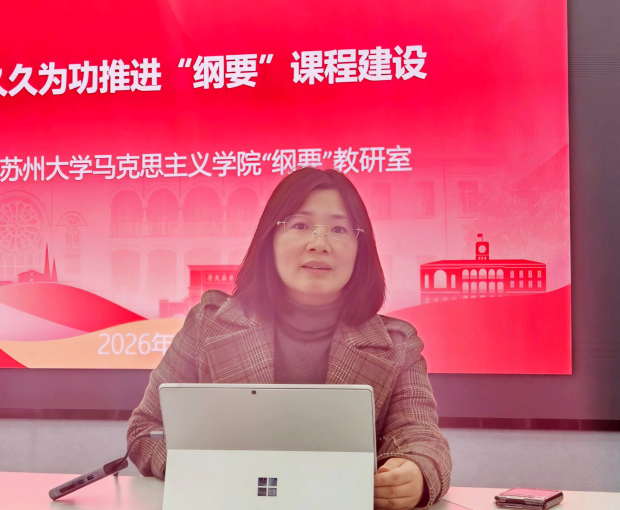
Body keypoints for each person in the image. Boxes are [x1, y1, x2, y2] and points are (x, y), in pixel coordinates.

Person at [127, 167, 452, 510]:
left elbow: (421, 437)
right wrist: (200, 469)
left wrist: (415, 473)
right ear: (269, 239)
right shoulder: (208, 324)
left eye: (338, 229)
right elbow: (145, 429)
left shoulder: (396, 343)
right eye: (300, 225)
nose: (319, 244)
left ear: (362, 248)